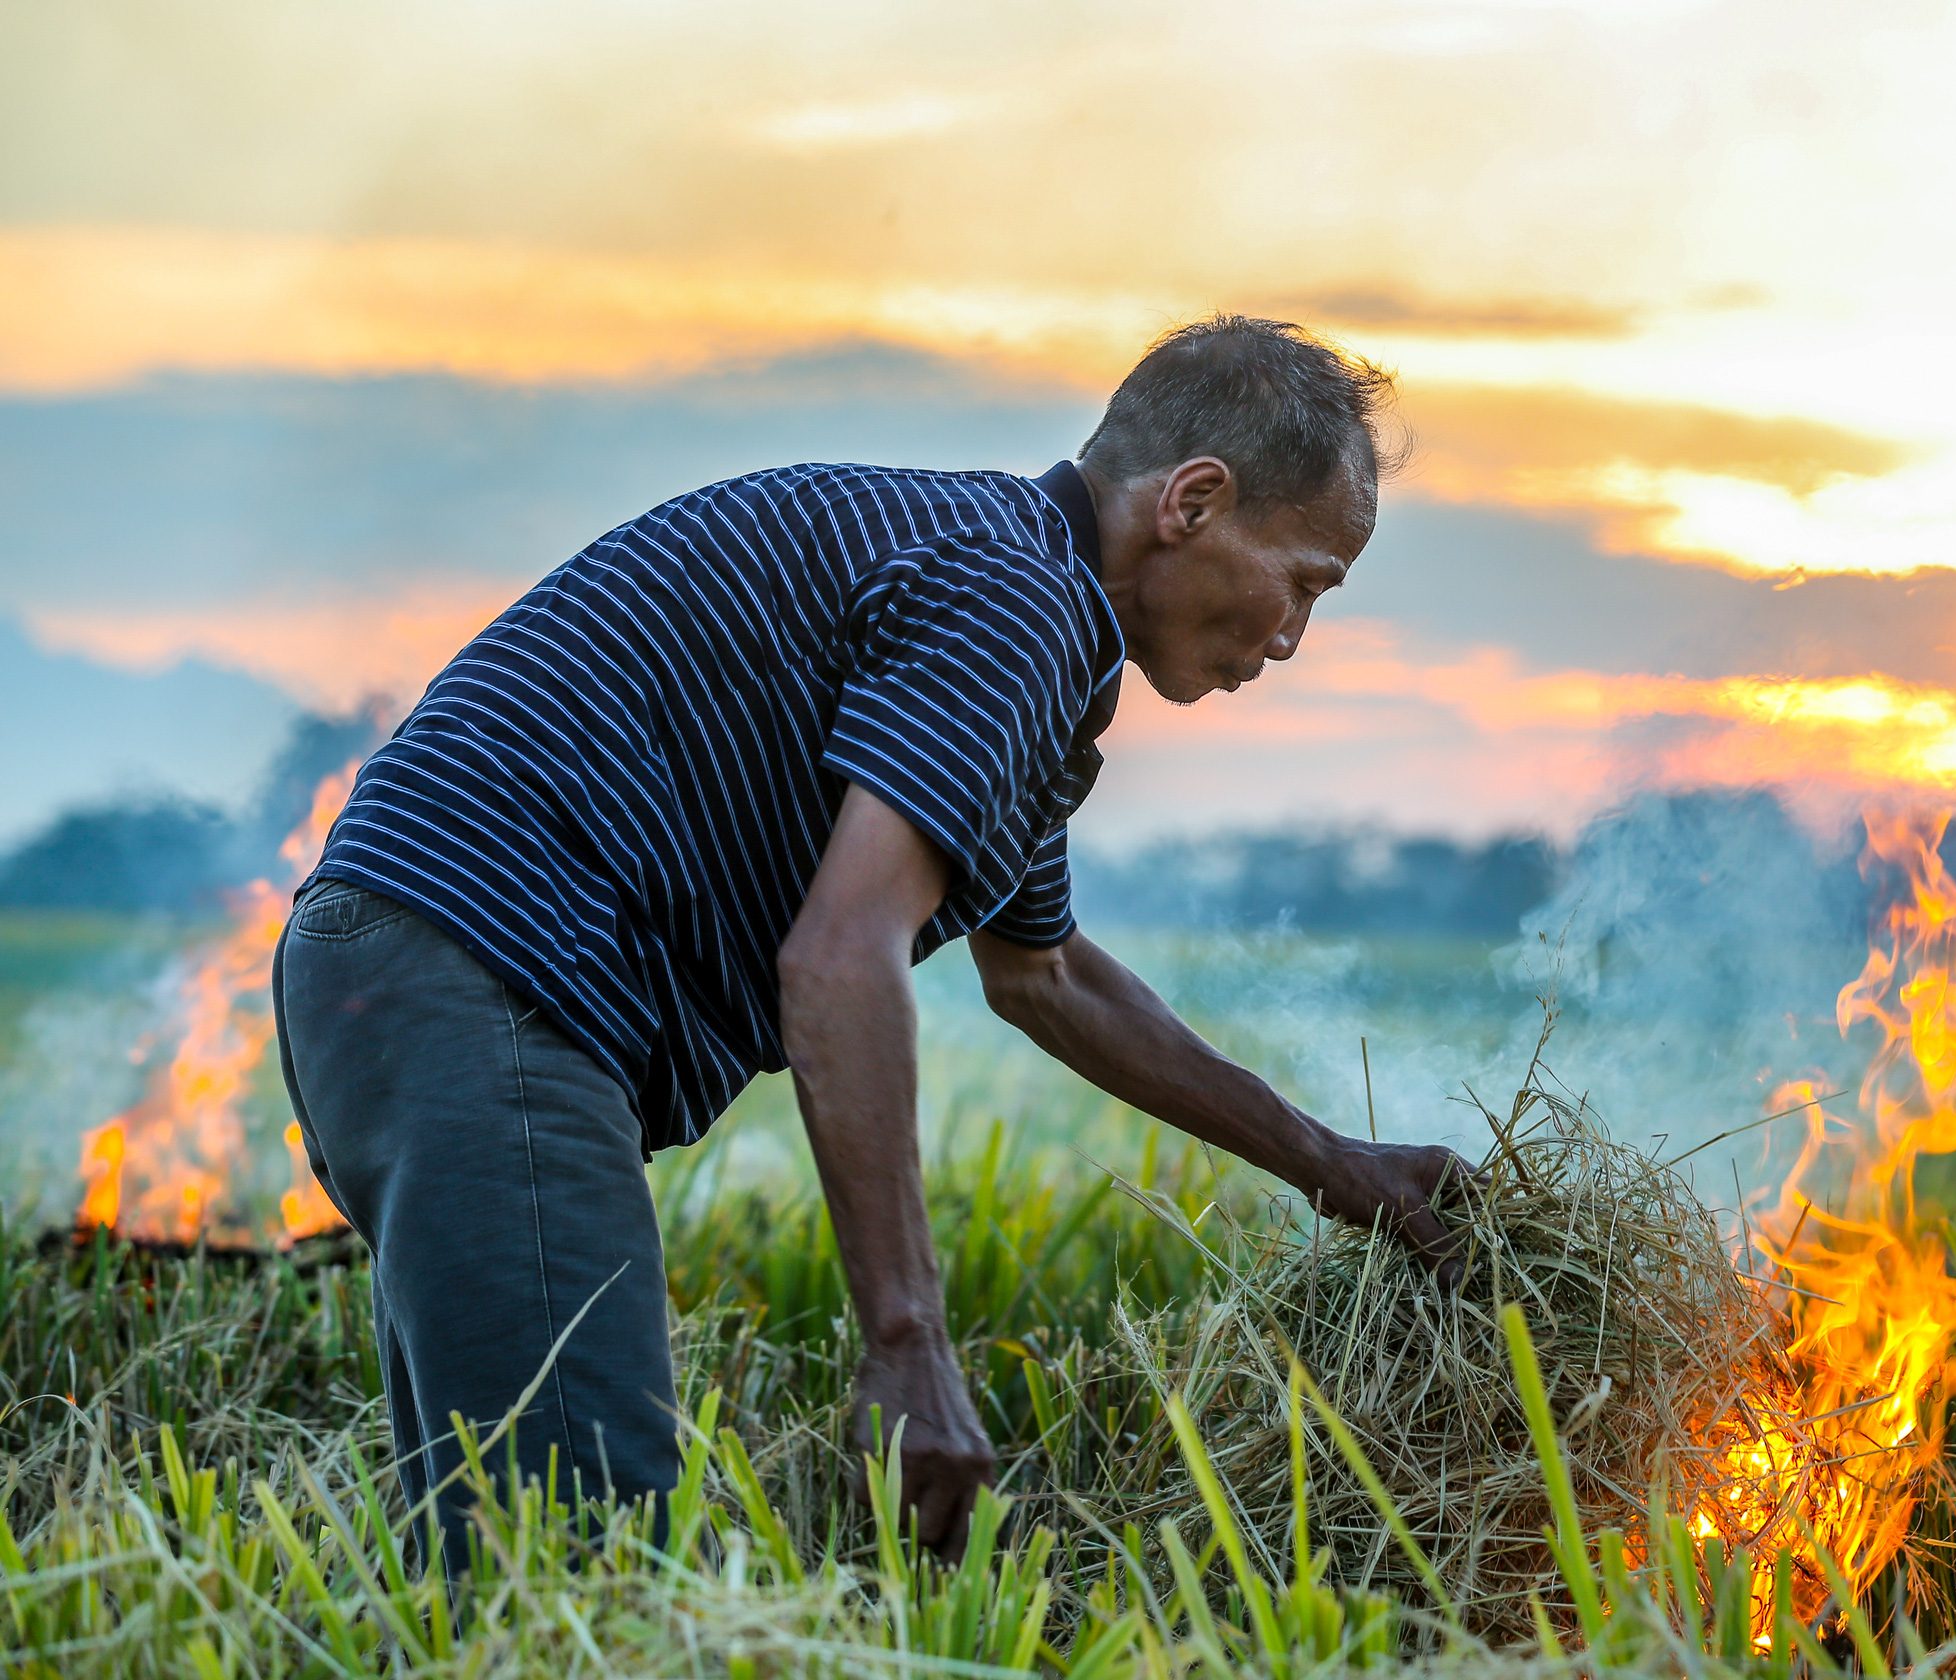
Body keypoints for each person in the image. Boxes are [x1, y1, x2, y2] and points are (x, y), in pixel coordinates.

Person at [270, 315, 1477, 1564]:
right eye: (1304, 580)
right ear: (1193, 501)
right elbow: (839, 957)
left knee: (495, 1563)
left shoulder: (1010, 601)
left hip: (414, 977)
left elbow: (1047, 977)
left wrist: (1338, 1169)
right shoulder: (1018, 602)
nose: (1289, 637)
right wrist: (907, 1344)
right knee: (578, 1569)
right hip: (485, 977)